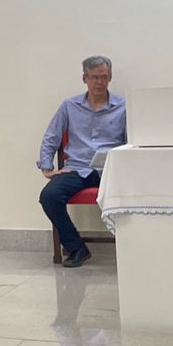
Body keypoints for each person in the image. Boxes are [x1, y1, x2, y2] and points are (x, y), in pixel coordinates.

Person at [38, 55, 127, 268]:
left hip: (111, 169)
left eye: (104, 77)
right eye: (94, 77)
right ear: (84, 78)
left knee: (141, 194)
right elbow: (51, 136)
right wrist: (47, 166)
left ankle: (133, 247)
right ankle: (77, 247)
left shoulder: (124, 106)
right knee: (49, 196)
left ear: (110, 78)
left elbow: (132, 141)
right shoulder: (69, 106)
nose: (99, 82)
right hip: (78, 168)